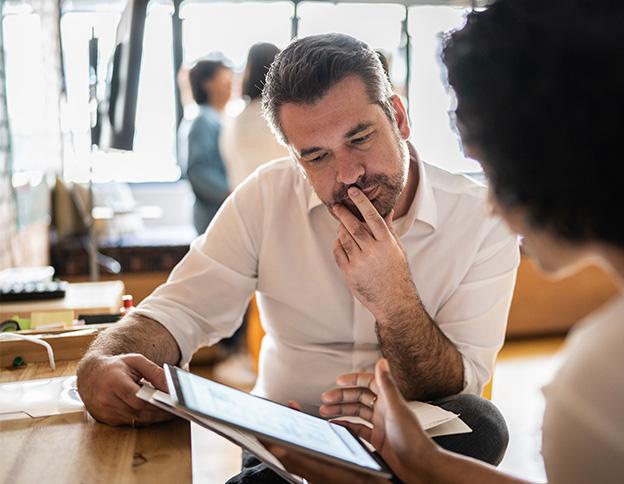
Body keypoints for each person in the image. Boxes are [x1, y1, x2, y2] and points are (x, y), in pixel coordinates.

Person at [76, 33, 520, 480]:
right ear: (294, 155)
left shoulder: (482, 218)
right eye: (317, 156)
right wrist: (102, 361)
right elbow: (177, 310)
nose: (348, 175)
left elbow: (457, 384)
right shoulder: (266, 197)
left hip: (411, 433)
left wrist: (395, 299)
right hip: (291, 431)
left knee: (482, 425)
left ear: (399, 118)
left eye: (360, 138)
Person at [265, 2, 624, 483]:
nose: (494, 206)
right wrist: (427, 465)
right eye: (316, 155)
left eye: (494, 170)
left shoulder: (607, 390)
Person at [221, 42, 287, 188]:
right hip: (280, 194)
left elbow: (229, 159)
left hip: (243, 194)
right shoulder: (282, 114)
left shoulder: (234, 116)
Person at [186, 57, 233, 235]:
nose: (230, 83)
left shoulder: (219, 118)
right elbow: (198, 171)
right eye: (225, 78)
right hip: (212, 215)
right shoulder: (203, 121)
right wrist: (231, 192)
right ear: (207, 84)